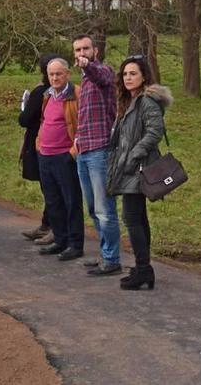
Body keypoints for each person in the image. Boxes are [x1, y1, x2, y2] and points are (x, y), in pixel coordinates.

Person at [106, 56, 172, 290]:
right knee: (138, 218)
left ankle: (143, 269)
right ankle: (143, 267)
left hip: (138, 167)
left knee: (132, 218)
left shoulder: (146, 101)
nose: (128, 78)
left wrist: (134, 154)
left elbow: (155, 131)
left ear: (144, 76)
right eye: (125, 74)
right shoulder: (130, 101)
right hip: (128, 166)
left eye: (133, 73)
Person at [72, 34, 122, 276]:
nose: (81, 52)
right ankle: (105, 253)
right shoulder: (85, 81)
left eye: (85, 48)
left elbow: (100, 75)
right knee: (92, 208)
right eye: (77, 50)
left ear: (95, 50)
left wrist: (87, 66)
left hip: (100, 150)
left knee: (105, 209)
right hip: (84, 150)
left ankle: (112, 259)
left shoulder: (103, 73)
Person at [37, 58, 85, 261]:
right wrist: (39, 144)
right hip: (45, 156)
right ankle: (60, 239)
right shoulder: (47, 95)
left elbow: (84, 124)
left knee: (71, 201)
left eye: (59, 74)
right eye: (51, 74)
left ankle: (75, 244)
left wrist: (73, 152)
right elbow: (44, 120)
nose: (55, 78)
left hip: (65, 157)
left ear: (67, 74)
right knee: (53, 201)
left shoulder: (77, 94)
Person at [19, 54, 56, 245]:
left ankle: (52, 227)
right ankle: (46, 224)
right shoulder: (64, 92)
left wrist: (24, 109)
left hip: (40, 144)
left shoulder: (41, 92)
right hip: (50, 144)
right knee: (51, 187)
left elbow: (24, 120)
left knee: (50, 188)